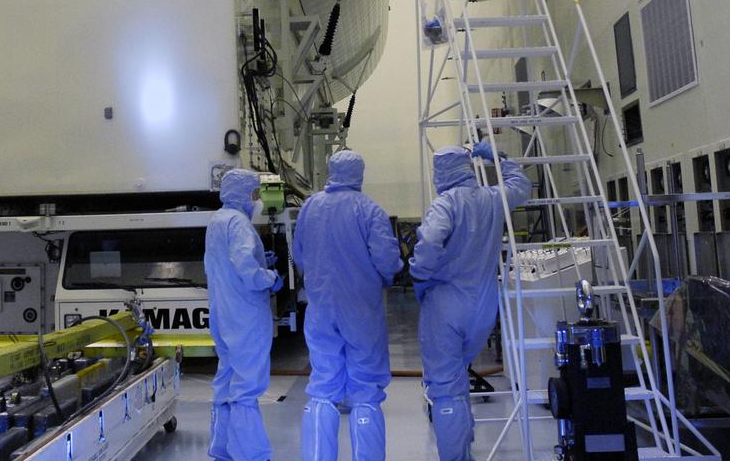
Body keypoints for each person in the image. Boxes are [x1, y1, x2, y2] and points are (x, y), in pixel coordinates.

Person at [410, 141, 532, 461]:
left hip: (446, 305)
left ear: (441, 172)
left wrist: (420, 276)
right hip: (484, 306)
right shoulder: (493, 198)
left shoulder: (445, 204)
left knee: (446, 390)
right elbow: (522, 185)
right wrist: (499, 157)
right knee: (459, 376)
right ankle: (465, 449)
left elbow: (429, 243)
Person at [292, 149, 403, 461]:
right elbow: (387, 261)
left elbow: (299, 255)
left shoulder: (310, 207)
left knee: (322, 386)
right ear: (360, 175)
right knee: (365, 390)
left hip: (320, 308)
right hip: (360, 310)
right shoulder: (369, 211)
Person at [206, 168, 284, 461]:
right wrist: (269, 276)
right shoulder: (238, 223)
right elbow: (245, 269)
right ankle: (250, 454)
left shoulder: (217, 220)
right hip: (245, 316)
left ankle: (222, 448)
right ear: (243, 193)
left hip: (223, 313)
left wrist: (260, 258)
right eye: (254, 194)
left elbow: (221, 264)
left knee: (226, 379)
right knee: (247, 386)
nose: (257, 200)